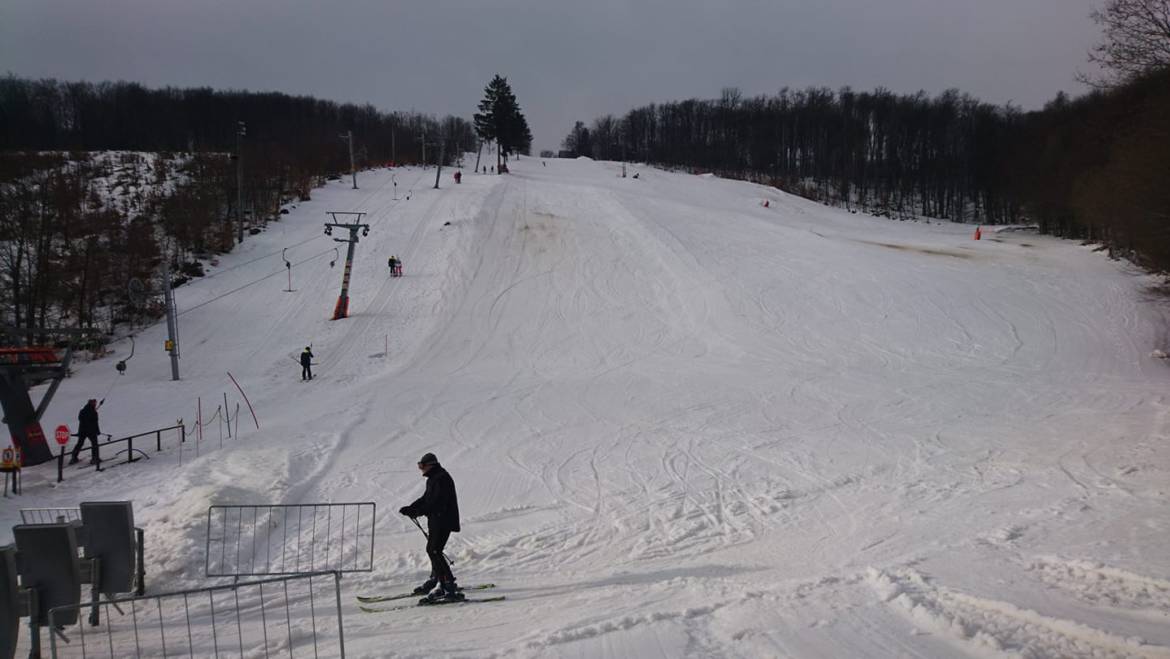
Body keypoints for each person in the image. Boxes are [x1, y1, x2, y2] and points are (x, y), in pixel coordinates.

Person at [399, 452, 463, 602]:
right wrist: (411, 507)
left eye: (422, 465)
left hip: (443, 520)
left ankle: (448, 587)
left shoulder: (441, 478)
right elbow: (426, 498)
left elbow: (437, 503)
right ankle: (441, 583)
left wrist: (417, 511)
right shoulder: (434, 478)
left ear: (430, 465)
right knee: (434, 550)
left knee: (434, 550)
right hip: (437, 520)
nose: (421, 469)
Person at [70, 398, 103, 465]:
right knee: (94, 444)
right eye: (94, 403)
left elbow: (80, 419)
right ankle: (95, 458)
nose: (95, 404)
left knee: (79, 443)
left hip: (82, 430)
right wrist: (98, 431)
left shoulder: (82, 411)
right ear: (92, 403)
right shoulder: (94, 412)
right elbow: (95, 423)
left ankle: (74, 457)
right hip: (91, 431)